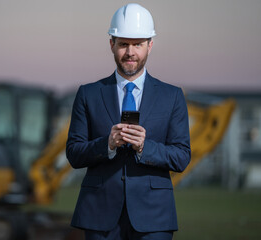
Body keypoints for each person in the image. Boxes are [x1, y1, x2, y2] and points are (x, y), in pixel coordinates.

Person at [66, 3, 191, 240]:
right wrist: (107, 145)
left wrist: (145, 147)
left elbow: (181, 156)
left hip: (154, 217)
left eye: (138, 44)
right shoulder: (88, 94)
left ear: (150, 45)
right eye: (123, 44)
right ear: (111, 44)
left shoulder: (172, 96)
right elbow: (74, 153)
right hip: (99, 215)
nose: (130, 52)